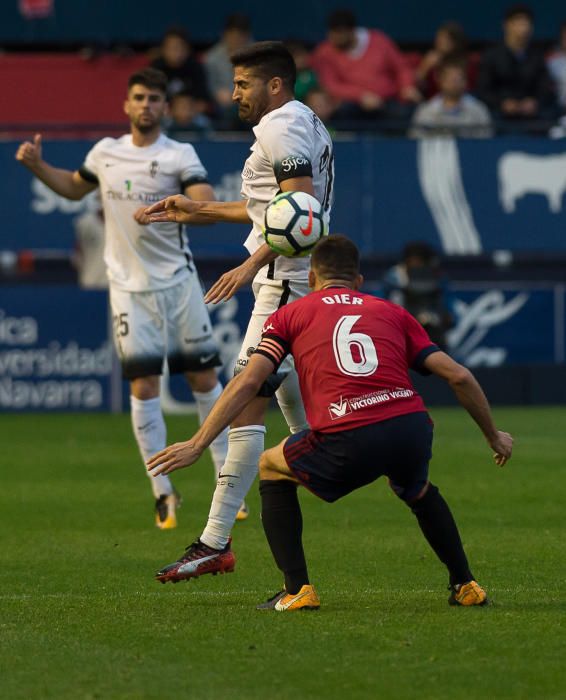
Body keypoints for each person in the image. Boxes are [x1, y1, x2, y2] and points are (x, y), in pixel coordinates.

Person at [147, 236, 513, 611]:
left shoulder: (290, 314)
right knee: (417, 489)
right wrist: (493, 435)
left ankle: (297, 589)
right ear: (358, 281)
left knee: (270, 467)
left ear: (312, 277)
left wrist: (198, 443)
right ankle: (465, 583)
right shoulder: (392, 311)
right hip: (410, 425)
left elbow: (250, 381)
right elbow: (459, 377)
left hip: (349, 434)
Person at [144, 41, 334, 579]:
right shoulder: (304, 122)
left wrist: (250, 265)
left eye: (243, 84)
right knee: (301, 421)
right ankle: (373, 456)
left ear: (274, 85)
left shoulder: (280, 128)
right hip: (290, 276)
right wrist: (197, 208)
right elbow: (272, 209)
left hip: (283, 281)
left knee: (247, 388)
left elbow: (303, 210)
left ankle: (213, 540)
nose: (234, 94)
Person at [15, 67, 229, 529]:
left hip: (178, 282)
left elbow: (208, 206)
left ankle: (227, 482)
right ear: (126, 106)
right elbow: (74, 188)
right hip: (129, 289)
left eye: (155, 98)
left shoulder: (179, 155)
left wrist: (182, 208)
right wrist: (36, 164)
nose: (146, 105)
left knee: (203, 380)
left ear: (165, 108)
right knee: (143, 387)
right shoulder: (106, 152)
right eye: (139, 97)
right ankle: (163, 494)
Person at [311, 9, 421, 124]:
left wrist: (407, 86)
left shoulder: (379, 41)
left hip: (387, 101)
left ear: (351, 31)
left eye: (339, 33)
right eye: (331, 33)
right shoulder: (325, 52)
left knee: (406, 112)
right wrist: (361, 96)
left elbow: (401, 67)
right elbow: (331, 85)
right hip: (352, 105)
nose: (334, 38)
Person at [476, 5, 556, 124]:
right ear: (506, 25)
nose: (523, 27)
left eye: (526, 23)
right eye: (518, 22)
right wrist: (502, 103)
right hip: (499, 115)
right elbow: (483, 90)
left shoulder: (537, 56)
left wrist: (535, 102)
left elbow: (546, 89)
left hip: (532, 116)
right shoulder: (491, 56)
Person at [382, 241, 454, 350]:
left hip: (434, 336)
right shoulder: (394, 277)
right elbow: (380, 304)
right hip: (402, 333)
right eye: (412, 261)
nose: (416, 264)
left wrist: (442, 318)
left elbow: (449, 311)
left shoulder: (438, 277)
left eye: (419, 261)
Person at [409, 59, 493, 139]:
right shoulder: (426, 111)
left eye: (459, 79)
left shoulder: (478, 110)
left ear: (465, 81)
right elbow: (416, 141)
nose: (455, 83)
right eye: (451, 79)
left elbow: (485, 141)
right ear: (440, 81)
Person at [204, 14, 252, 120]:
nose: (236, 39)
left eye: (241, 36)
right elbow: (210, 84)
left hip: (250, 101)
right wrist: (217, 93)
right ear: (225, 34)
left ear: (247, 36)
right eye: (233, 35)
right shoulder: (212, 57)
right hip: (223, 105)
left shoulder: (258, 55)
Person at [151, 27, 211, 110]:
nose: (176, 52)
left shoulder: (196, 67)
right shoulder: (155, 69)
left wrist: (187, 112)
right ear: (163, 49)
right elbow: (151, 101)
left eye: (180, 48)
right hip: (165, 114)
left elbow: (203, 102)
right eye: (172, 48)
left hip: (192, 114)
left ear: (187, 49)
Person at [415, 21, 471, 99]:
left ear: (455, 41)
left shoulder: (466, 63)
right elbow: (419, 86)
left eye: (445, 38)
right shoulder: (430, 61)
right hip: (433, 104)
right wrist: (425, 67)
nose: (440, 42)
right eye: (439, 38)